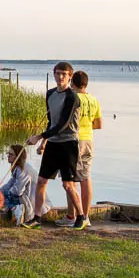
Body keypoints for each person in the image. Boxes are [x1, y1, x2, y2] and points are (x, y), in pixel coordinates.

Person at [25, 61, 86, 230]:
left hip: (68, 144)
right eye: (58, 73)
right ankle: (37, 218)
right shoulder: (50, 94)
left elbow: (63, 124)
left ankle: (81, 216)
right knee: (42, 181)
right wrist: (44, 141)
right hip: (53, 143)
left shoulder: (72, 97)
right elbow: (51, 122)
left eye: (64, 74)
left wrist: (39, 137)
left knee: (68, 185)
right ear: (54, 74)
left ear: (70, 77)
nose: (60, 77)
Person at [55, 71, 103, 227]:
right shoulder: (93, 99)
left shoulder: (72, 98)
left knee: (70, 180)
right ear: (86, 84)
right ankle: (86, 216)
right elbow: (99, 124)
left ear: (72, 83)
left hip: (73, 140)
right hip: (89, 140)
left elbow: (63, 122)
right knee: (86, 178)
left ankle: (72, 216)